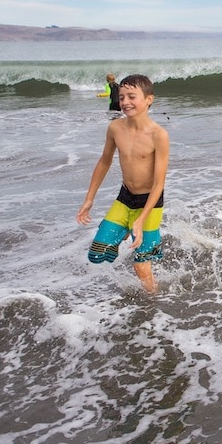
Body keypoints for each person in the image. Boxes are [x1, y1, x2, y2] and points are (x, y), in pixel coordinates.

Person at [77, 74, 170, 293]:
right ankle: (126, 229)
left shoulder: (159, 135)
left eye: (131, 96)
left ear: (149, 99)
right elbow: (104, 162)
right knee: (98, 253)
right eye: (121, 97)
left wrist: (141, 219)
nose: (125, 102)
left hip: (150, 202)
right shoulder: (115, 128)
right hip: (125, 197)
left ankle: (152, 300)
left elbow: (159, 184)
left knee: (140, 265)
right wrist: (89, 198)